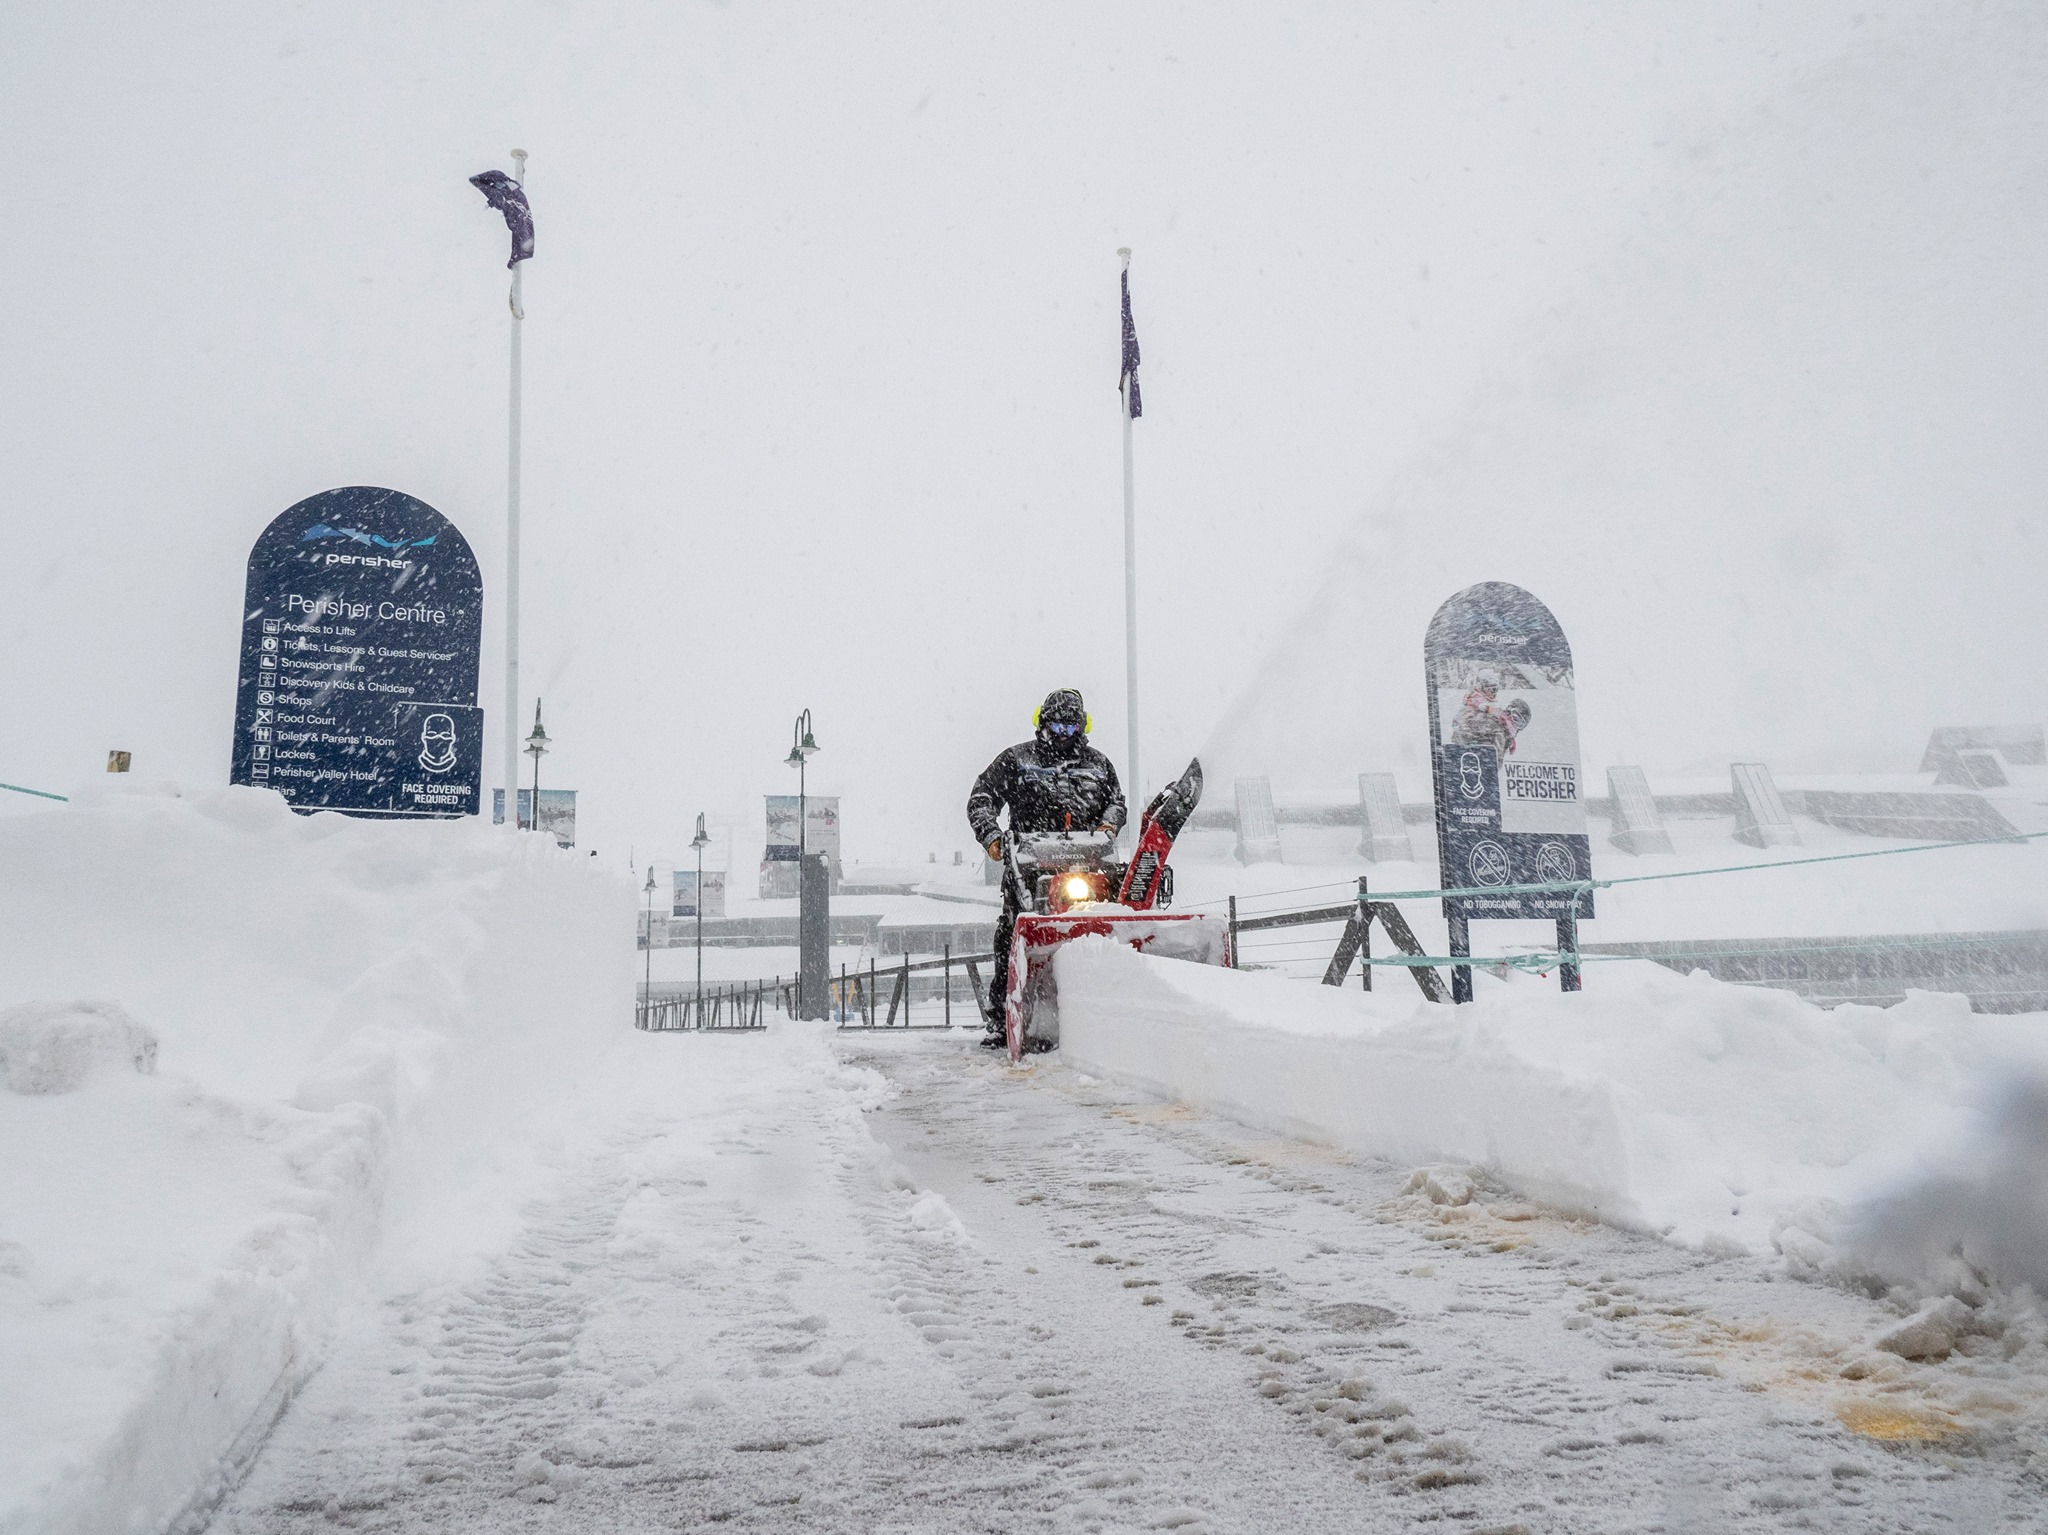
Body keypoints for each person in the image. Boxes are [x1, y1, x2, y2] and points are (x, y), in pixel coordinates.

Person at [966, 688, 1127, 1044]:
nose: (1062, 734)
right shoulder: (1017, 760)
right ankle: (1003, 1015)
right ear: (1042, 722)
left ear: (1082, 726)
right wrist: (991, 835)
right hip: (1028, 867)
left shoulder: (1098, 765)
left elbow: (1116, 802)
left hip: (1088, 866)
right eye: (1056, 726)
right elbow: (982, 797)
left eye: (1070, 728)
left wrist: (1108, 825)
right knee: (1011, 935)